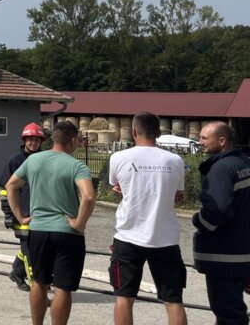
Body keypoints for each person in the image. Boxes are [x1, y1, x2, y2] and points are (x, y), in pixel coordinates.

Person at [6, 120, 95, 325]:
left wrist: (20, 217)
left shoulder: (33, 160)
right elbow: (89, 197)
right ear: (72, 141)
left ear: (52, 139)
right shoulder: (76, 165)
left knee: (38, 282)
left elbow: (11, 186)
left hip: (38, 230)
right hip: (67, 233)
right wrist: (79, 223)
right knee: (63, 287)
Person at [107, 112, 187, 325]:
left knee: (124, 298)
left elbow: (118, 188)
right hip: (166, 238)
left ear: (133, 131)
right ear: (159, 132)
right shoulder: (175, 160)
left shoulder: (118, 158)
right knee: (173, 300)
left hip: (128, 236)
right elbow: (178, 197)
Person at [192, 121, 250, 325]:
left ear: (222, 141)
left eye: (205, 138)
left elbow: (217, 210)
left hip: (224, 254)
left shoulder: (221, 169)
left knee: (228, 312)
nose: (200, 142)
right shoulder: (245, 164)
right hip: (243, 251)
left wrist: (198, 221)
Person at [0, 122, 46, 292]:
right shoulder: (15, 160)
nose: (33, 143)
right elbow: (5, 189)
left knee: (30, 248)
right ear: (24, 140)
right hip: (21, 214)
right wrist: (8, 214)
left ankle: (17, 273)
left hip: (39, 213)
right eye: (30, 139)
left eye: (36, 140)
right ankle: (36, 285)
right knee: (30, 252)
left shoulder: (44, 159)